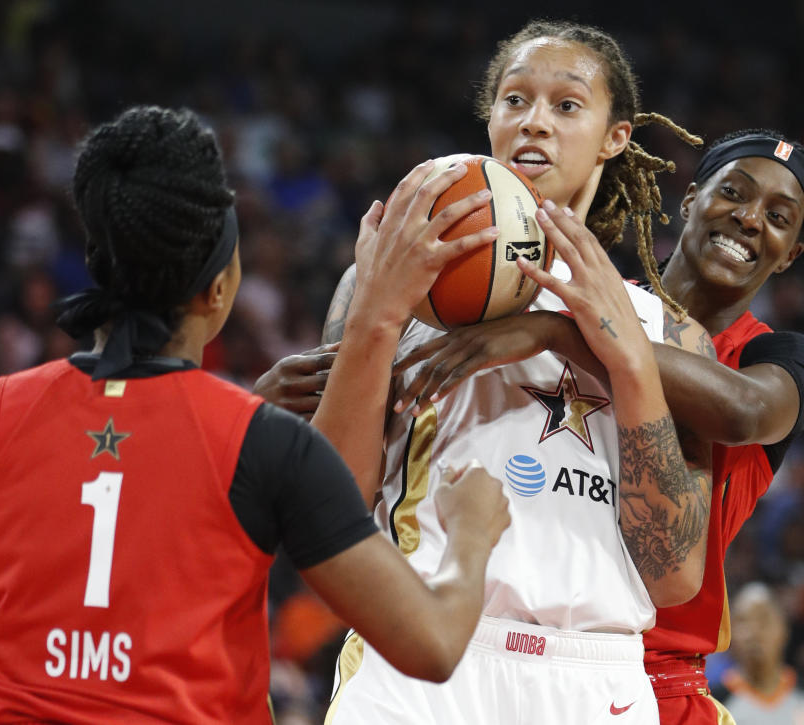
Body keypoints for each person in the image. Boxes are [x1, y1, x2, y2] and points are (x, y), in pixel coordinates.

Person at [0, 105, 512, 723]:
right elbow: (434, 644)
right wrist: (469, 537)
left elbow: (126, 471)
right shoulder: (265, 446)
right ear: (220, 286)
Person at [259, 20, 717, 725]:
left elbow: (675, 573)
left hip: (590, 676)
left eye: (566, 105)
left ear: (615, 137)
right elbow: (330, 512)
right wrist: (378, 318)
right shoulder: (395, 279)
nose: (535, 122)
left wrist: (624, 358)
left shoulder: (667, 328)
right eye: (514, 100)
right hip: (416, 652)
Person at [391, 128, 804, 724]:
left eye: (779, 217)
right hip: (505, 648)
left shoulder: (781, 356)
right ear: (691, 197)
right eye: (734, 193)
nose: (751, 219)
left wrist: (561, 334)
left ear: (792, 254)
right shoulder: (582, 293)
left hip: (657, 676)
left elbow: (744, 412)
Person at [717, 583, 804, 725]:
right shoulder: (712, 705)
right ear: (729, 634)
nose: (754, 632)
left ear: (784, 629)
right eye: (743, 621)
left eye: (763, 620)